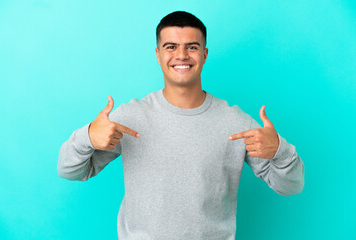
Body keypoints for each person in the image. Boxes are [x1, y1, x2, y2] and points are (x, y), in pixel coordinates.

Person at [58, 11, 304, 240]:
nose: (182, 55)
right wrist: (88, 136)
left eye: (192, 47)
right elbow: (70, 171)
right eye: (171, 47)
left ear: (204, 54)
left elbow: (291, 187)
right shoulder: (130, 117)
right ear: (157, 54)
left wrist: (280, 150)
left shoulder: (236, 122)